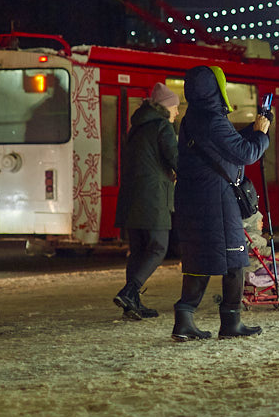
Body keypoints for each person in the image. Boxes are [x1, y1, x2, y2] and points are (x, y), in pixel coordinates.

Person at [171, 65, 270, 341]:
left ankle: (184, 319)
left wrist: (252, 129)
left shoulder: (193, 118)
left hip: (194, 197)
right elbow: (246, 154)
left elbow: (228, 147)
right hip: (216, 199)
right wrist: (262, 135)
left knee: (199, 259)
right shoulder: (214, 119)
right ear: (216, 88)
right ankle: (231, 322)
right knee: (235, 260)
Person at [112, 82, 180, 320]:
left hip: (131, 196)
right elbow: (175, 158)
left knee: (139, 250)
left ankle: (133, 303)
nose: (178, 112)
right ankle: (130, 291)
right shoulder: (163, 126)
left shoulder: (137, 127)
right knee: (159, 247)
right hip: (152, 197)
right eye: (175, 107)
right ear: (165, 107)